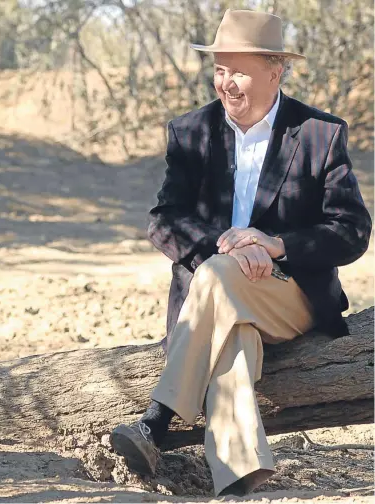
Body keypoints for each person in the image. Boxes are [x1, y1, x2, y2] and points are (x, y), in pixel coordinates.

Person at [109, 8, 372, 497]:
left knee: (219, 277)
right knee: (233, 329)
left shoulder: (319, 133)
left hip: (290, 295)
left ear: (276, 71)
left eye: (239, 71)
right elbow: (163, 219)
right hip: (222, 299)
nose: (226, 83)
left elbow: (353, 230)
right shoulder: (191, 132)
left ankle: (157, 421)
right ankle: (239, 474)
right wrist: (223, 246)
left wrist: (276, 245)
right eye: (220, 70)